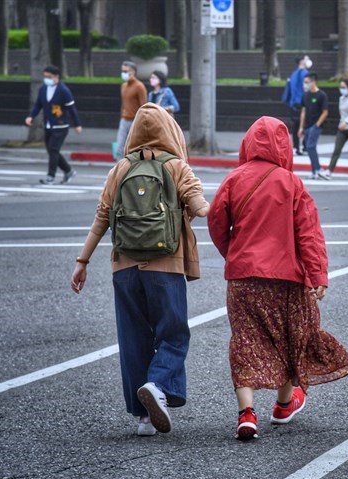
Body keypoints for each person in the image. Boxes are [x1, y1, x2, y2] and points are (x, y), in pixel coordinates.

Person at [207, 116, 348, 441]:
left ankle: (246, 414)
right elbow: (309, 234)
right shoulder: (291, 182)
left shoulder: (234, 179)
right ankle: (283, 404)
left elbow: (216, 222)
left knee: (245, 340)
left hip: (243, 278)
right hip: (287, 279)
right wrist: (317, 274)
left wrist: (234, 253)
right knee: (291, 338)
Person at [70, 103, 210, 437]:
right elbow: (199, 204)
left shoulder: (120, 169)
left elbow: (102, 217)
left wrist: (82, 262)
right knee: (173, 333)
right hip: (165, 264)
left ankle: (143, 418)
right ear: (170, 131)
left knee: (133, 338)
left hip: (125, 267)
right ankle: (158, 385)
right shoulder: (175, 166)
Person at [24, 65, 81, 185]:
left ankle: (51, 176)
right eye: (45, 76)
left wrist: (77, 125)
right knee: (52, 151)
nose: (46, 79)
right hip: (48, 125)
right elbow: (38, 105)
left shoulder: (63, 91)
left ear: (56, 77)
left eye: (49, 77)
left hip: (61, 126)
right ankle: (68, 171)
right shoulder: (43, 89)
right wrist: (31, 116)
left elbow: (72, 109)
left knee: (54, 149)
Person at [298, 73, 329, 180]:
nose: (305, 84)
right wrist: (301, 127)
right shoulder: (305, 95)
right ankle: (314, 171)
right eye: (304, 82)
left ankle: (319, 169)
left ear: (313, 81)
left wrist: (316, 125)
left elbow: (325, 112)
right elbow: (303, 112)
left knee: (310, 146)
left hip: (315, 126)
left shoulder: (321, 95)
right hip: (306, 126)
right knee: (309, 148)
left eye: (307, 82)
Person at [115, 61, 147, 160]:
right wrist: (122, 116)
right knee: (120, 147)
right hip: (124, 120)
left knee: (135, 148)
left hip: (135, 121)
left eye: (125, 71)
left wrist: (142, 122)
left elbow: (144, 105)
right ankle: (120, 171)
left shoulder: (139, 86)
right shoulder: (123, 86)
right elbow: (124, 103)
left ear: (132, 72)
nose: (123, 73)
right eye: (122, 71)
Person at [287, 54, 312, 155]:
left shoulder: (294, 73)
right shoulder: (305, 73)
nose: (308, 61)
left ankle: (296, 147)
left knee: (295, 126)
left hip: (294, 104)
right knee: (306, 124)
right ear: (302, 61)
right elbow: (308, 88)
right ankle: (305, 147)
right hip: (303, 103)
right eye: (307, 59)